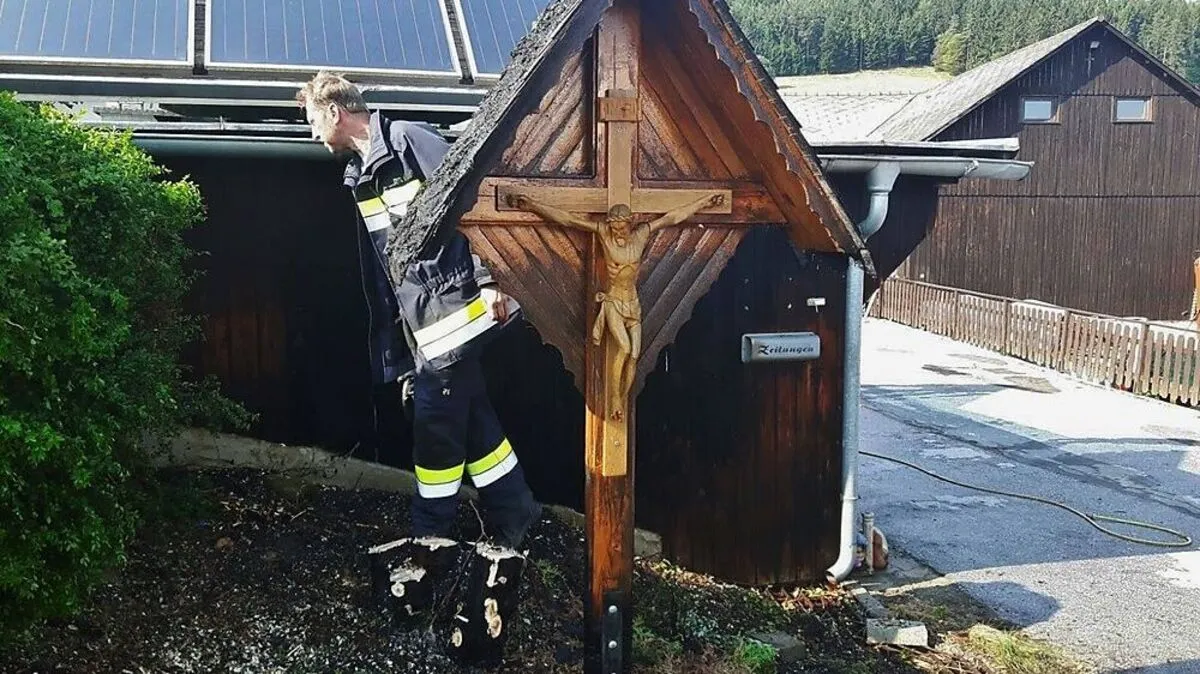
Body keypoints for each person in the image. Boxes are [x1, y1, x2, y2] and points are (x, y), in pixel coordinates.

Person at [296, 72, 541, 611]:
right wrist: (400, 353)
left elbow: (477, 195)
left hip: (462, 309)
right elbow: (386, 273)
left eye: (312, 119)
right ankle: (513, 506)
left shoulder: (410, 140)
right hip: (424, 327)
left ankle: (431, 538)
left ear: (335, 112)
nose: (312, 133)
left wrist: (493, 276)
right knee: (470, 415)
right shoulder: (361, 176)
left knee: (435, 422)